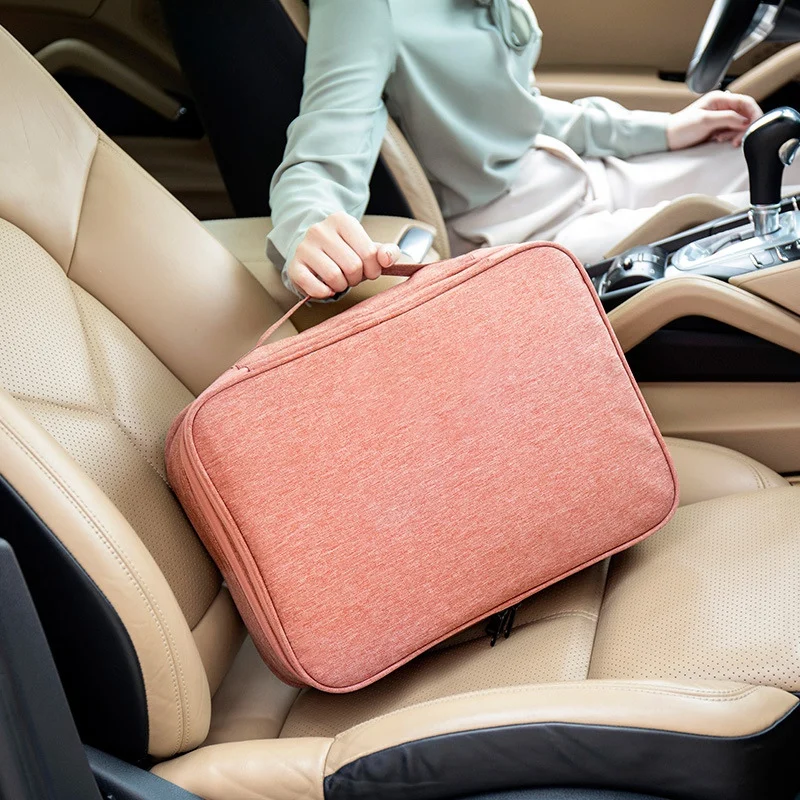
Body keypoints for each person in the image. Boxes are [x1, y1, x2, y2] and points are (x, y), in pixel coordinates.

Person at [267, 0, 786, 300]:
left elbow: (519, 109)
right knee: (770, 221)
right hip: (520, 231)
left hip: (569, 171)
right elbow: (323, 148)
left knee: (778, 158)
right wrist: (307, 231)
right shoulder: (366, 8)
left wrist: (665, 130)